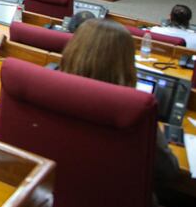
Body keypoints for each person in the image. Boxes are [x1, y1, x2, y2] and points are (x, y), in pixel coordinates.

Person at [60, 19, 179, 202]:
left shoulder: (45, 88)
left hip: (52, 192)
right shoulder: (137, 110)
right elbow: (169, 171)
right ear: (126, 63)